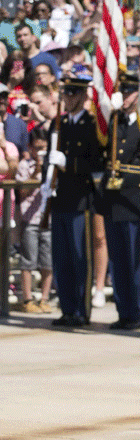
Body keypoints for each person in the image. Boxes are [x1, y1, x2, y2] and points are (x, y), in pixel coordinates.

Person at [95, 72, 140, 330]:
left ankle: (136, 311)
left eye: (129, 92)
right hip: (113, 201)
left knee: (133, 259)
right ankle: (123, 310)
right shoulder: (114, 122)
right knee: (118, 260)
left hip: (135, 201)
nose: (124, 97)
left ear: (138, 95)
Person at [47, 66, 102, 326]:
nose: (66, 98)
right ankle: (67, 308)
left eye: (71, 93)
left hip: (81, 199)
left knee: (81, 258)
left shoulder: (91, 126)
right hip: (59, 198)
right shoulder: (57, 124)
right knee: (62, 257)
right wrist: (48, 181)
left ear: (81, 95)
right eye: (65, 92)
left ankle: (81, 310)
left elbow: (94, 163)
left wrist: (67, 164)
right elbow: (50, 160)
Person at [15, 125, 53, 313]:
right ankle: (27, 299)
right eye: (37, 148)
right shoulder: (24, 165)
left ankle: (44, 298)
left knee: (48, 261)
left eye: (44, 148)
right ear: (30, 148)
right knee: (28, 260)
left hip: (48, 218)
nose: (40, 152)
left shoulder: (53, 167)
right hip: (30, 219)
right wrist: (36, 170)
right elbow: (22, 191)